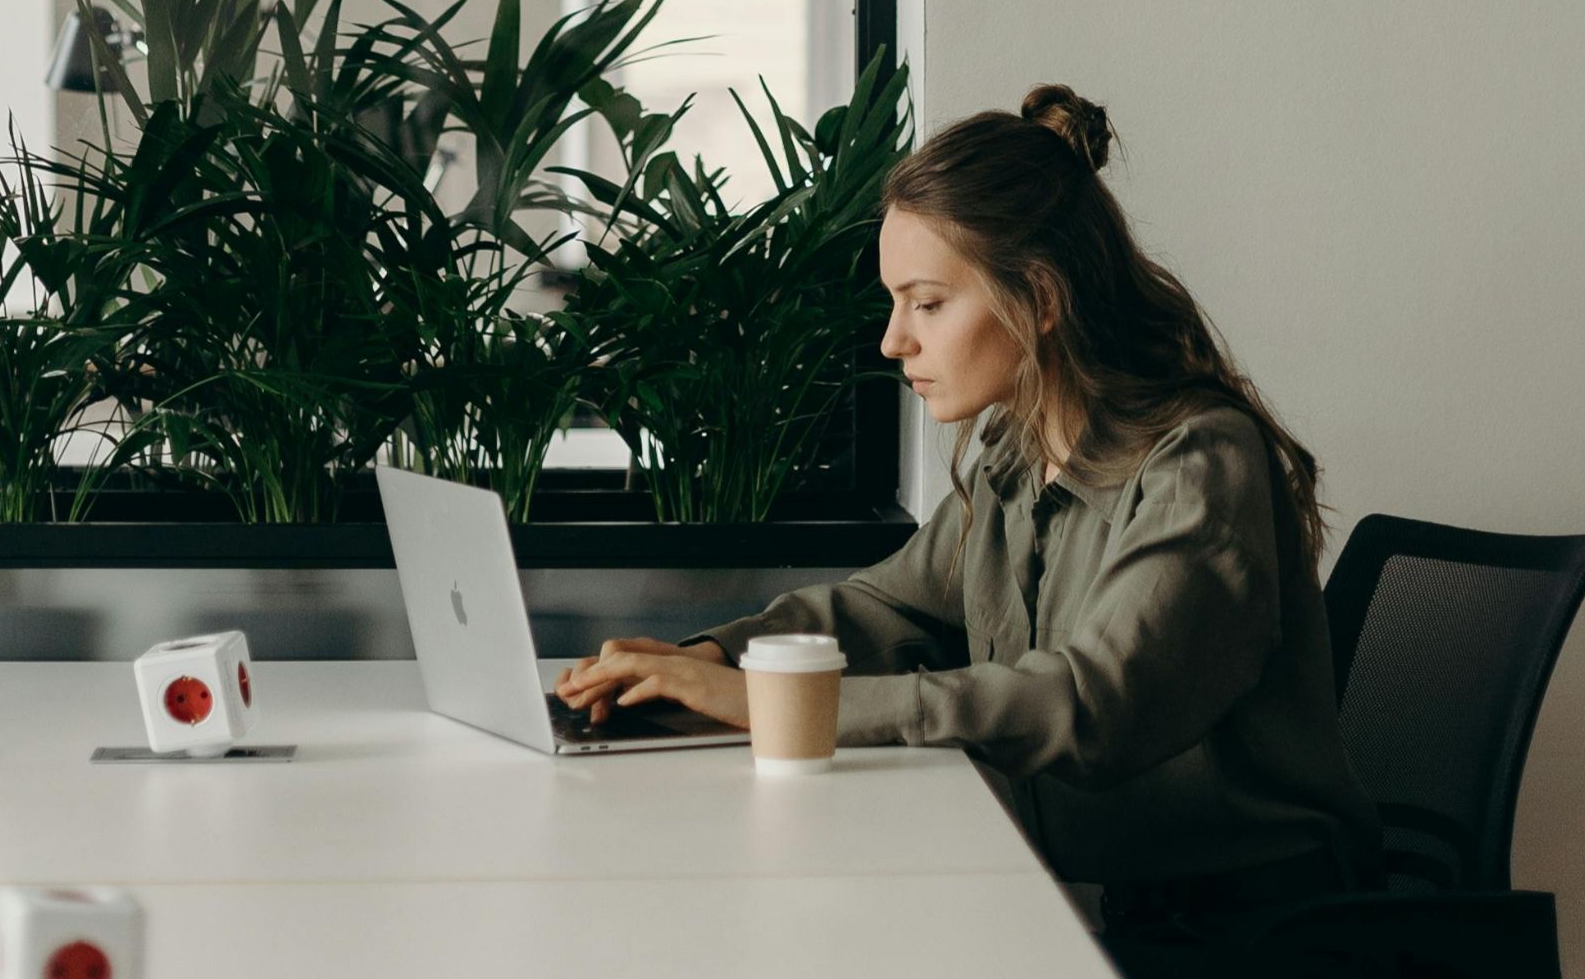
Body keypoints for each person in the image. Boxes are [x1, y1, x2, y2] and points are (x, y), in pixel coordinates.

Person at [556, 83, 1382, 976]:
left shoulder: (1198, 464)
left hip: (1244, 942)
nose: (891, 342)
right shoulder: (1020, 452)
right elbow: (884, 605)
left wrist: (779, 708)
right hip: (1083, 900)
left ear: (1041, 297)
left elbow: (1095, 707)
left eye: (927, 303)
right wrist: (718, 661)